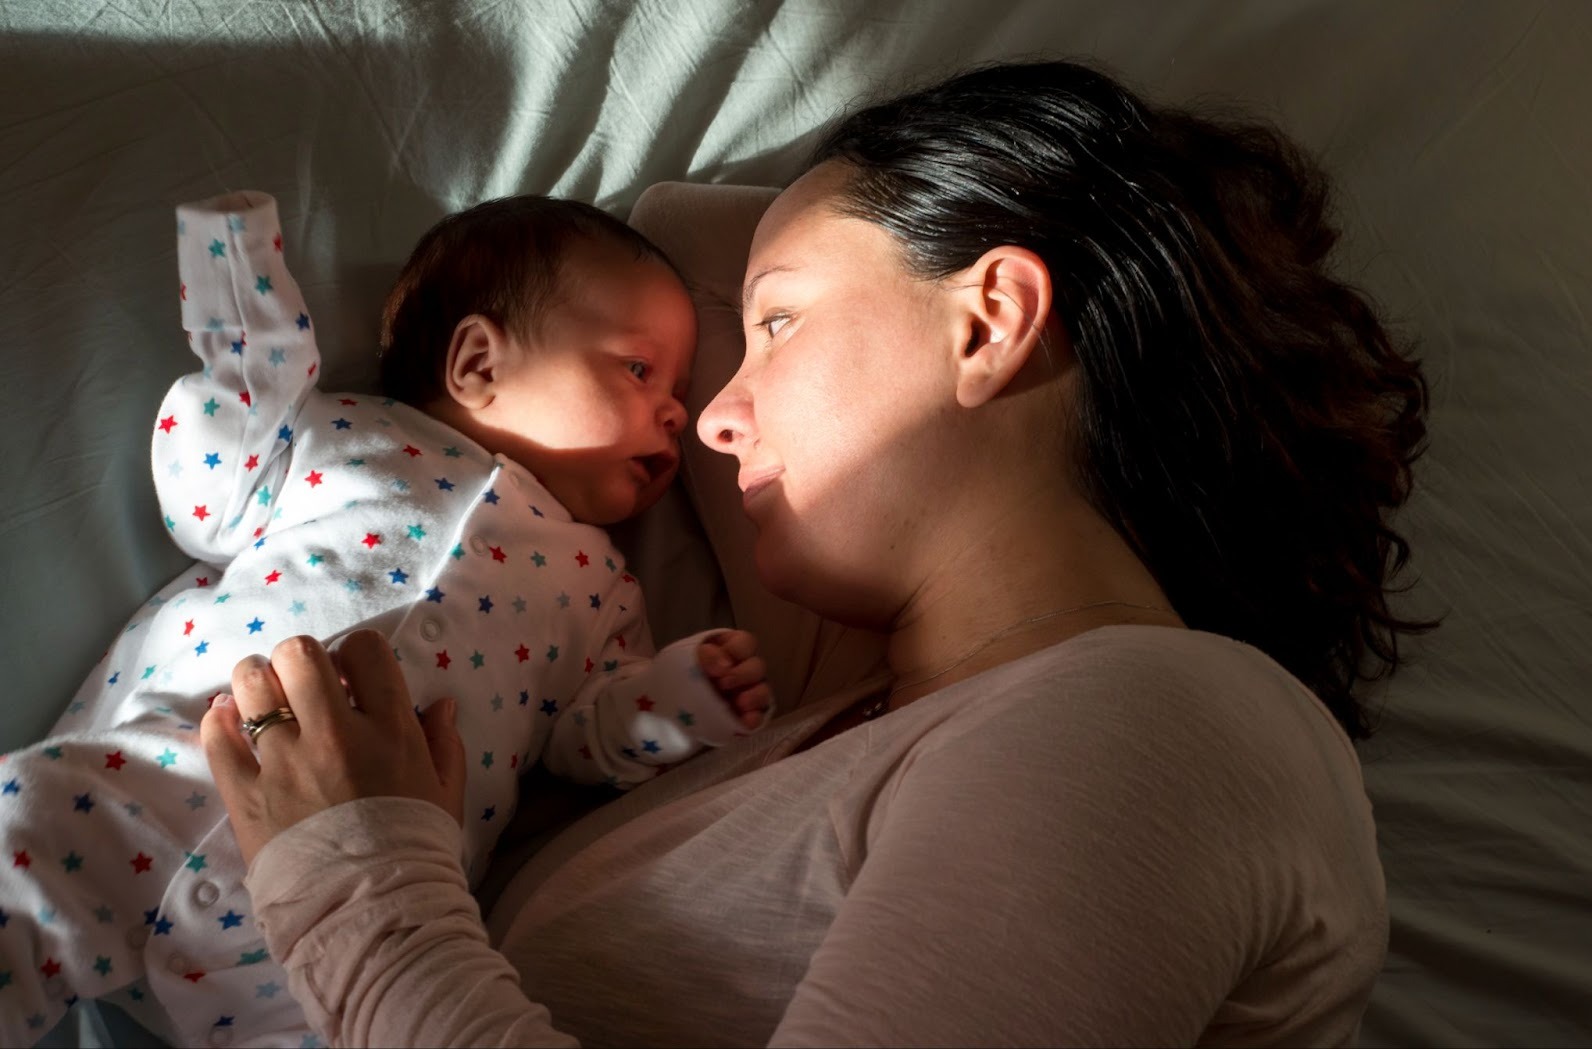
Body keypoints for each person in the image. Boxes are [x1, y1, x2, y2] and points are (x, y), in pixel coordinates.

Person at [202, 58, 1433, 1046]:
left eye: (777, 319)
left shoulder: (1163, 720)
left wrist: (359, 896)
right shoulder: (837, 725)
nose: (716, 420)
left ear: (990, 319)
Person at [0, 193, 772, 1047]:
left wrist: (675, 697)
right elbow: (206, 497)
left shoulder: (605, 588)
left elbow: (585, 736)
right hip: (170, 772)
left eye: (676, 390)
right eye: (639, 369)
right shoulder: (346, 436)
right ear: (478, 361)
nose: (675, 412)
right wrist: (247, 312)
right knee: (23, 829)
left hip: (345, 913)